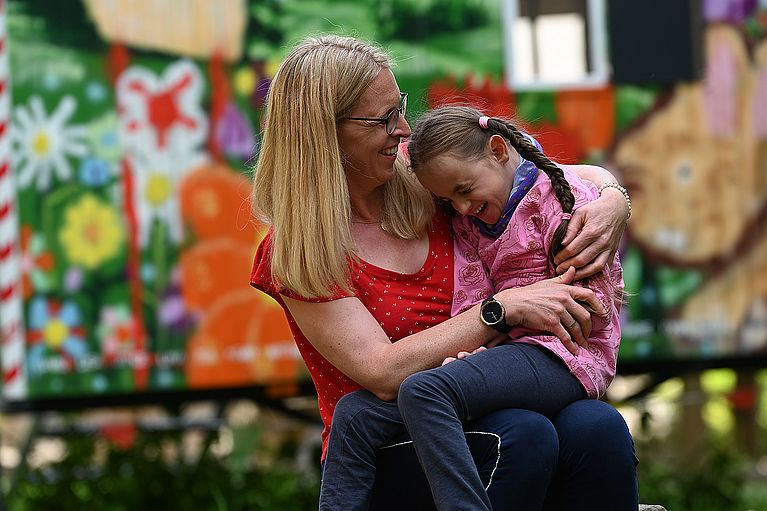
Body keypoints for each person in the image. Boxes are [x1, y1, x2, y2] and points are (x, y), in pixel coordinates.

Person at [250, 34, 637, 510]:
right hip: (392, 439)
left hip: (484, 402)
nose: (403, 130)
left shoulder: (427, 187)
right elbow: (383, 373)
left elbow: (542, 176)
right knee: (525, 434)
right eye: (384, 119)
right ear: (325, 133)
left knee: (597, 427)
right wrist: (501, 311)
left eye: (401, 108)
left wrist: (613, 201)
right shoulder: (299, 251)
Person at [316, 106, 630, 511]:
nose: (460, 207)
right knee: (355, 412)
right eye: (449, 200)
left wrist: (614, 197)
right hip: (506, 355)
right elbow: (473, 292)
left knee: (425, 391)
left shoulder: (557, 202)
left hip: (563, 353)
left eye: (464, 190)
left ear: (499, 150)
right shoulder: (472, 218)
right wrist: (475, 351)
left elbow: (584, 299)